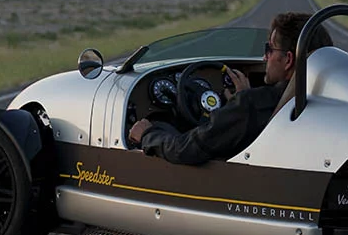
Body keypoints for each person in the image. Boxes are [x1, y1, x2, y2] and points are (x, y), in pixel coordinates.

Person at [127, 12, 333, 164]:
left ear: (288, 59)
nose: (264, 57)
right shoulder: (325, 99)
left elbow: (185, 150)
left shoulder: (250, 106)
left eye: (269, 49)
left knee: (162, 130)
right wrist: (241, 100)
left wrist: (148, 134)